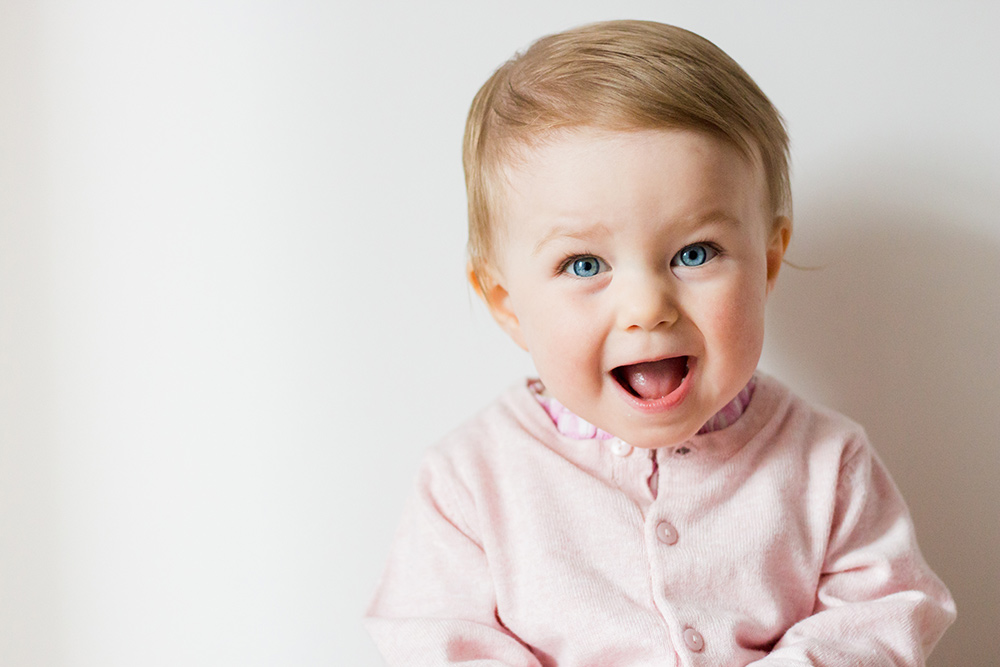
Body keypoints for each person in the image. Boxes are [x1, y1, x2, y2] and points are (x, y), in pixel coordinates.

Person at [365, 20, 955, 666]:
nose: (647, 306)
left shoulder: (826, 467)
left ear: (765, 265)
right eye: (585, 265)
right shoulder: (469, 484)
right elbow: (431, 642)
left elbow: (885, 616)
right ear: (508, 304)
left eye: (693, 253)